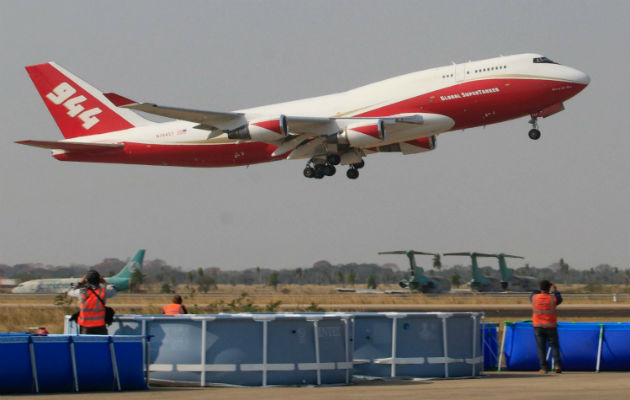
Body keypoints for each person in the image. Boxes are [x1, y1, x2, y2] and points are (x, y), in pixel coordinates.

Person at [68, 269, 115, 335]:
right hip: (100, 326)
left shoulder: (82, 291)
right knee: (102, 344)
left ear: (87, 280)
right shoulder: (103, 291)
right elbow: (113, 291)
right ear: (99, 280)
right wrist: (104, 282)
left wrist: (80, 283)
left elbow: (70, 292)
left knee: (86, 344)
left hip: (85, 326)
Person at [530, 279, 563, 373]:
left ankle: (544, 368)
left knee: (541, 348)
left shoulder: (534, 298)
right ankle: (557, 365)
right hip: (551, 326)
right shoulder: (553, 298)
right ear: (549, 288)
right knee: (554, 346)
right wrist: (555, 290)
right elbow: (560, 298)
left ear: (540, 288)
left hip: (538, 326)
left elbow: (532, 293)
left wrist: (540, 289)